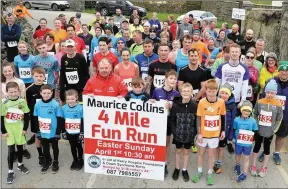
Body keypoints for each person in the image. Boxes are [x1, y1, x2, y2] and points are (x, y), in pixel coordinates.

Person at [192, 79, 226, 185]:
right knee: (201, 154)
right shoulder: (202, 102)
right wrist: (199, 133)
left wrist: (223, 130)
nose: (211, 93)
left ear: (217, 91)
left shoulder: (221, 102)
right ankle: (199, 171)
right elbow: (198, 118)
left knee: (211, 155)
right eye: (209, 91)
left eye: (214, 91)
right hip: (203, 134)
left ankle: (210, 173)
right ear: (206, 91)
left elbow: (223, 116)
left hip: (215, 134)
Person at [251, 79, 283, 178]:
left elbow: (279, 118)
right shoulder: (260, 102)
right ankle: (253, 165)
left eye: (272, 93)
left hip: (270, 132)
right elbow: (254, 113)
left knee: (266, 149)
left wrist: (274, 129)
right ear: (265, 92)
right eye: (268, 92)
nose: (270, 94)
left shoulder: (278, 104)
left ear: (275, 93)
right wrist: (256, 126)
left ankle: (264, 167)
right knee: (256, 147)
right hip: (259, 130)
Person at [258, 61, 288, 165]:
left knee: (281, 135)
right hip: (269, 114)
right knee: (267, 135)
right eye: (282, 70)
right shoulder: (271, 81)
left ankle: (276, 153)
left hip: (285, 116)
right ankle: (265, 151)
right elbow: (263, 96)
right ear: (278, 71)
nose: (284, 72)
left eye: (286, 70)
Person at [152, 70, 180, 177]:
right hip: (158, 121)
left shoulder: (176, 94)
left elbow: (178, 110)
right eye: (171, 78)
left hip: (169, 122)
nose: (173, 80)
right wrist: (152, 101)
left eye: (174, 79)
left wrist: (173, 106)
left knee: (167, 143)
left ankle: (164, 163)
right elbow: (151, 104)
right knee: (158, 142)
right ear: (166, 79)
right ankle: (155, 161)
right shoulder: (157, 91)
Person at [1, 81, 30, 184]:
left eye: (15, 91)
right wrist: (3, 130)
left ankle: (20, 164)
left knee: (20, 148)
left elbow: (26, 115)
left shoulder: (22, 101)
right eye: (11, 92)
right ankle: (10, 171)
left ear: (18, 91)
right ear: (7, 92)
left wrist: (25, 128)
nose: (13, 94)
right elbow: (1, 117)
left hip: (19, 129)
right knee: (11, 150)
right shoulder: (3, 102)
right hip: (9, 130)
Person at [170, 83, 197, 182]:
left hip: (189, 135)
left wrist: (194, 133)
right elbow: (172, 119)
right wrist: (174, 131)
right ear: (180, 92)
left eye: (188, 91)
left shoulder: (194, 106)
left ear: (191, 93)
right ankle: (177, 168)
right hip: (178, 134)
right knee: (177, 151)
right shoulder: (176, 105)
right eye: (184, 91)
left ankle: (184, 169)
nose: (186, 93)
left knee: (186, 152)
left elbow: (196, 120)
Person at [33, 84, 62, 174]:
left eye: (48, 93)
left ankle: (56, 161)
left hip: (53, 131)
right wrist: (37, 131)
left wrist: (58, 132)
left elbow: (59, 118)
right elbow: (35, 118)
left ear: (52, 93)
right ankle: (47, 161)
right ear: (40, 93)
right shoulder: (37, 104)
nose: (46, 95)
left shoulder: (55, 104)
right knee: (45, 148)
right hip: (43, 131)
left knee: (55, 147)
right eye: (44, 93)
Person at [214, 83, 237, 174]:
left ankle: (218, 162)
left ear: (230, 94)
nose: (223, 95)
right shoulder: (215, 102)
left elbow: (233, 122)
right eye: (222, 93)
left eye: (226, 93)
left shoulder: (232, 106)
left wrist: (230, 136)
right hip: (215, 131)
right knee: (214, 147)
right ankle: (213, 161)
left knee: (221, 148)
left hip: (225, 132)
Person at [233, 100, 258, 182]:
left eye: (248, 111)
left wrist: (251, 138)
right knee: (238, 154)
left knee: (246, 157)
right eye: (244, 110)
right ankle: (237, 165)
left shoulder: (253, 121)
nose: (246, 112)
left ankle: (244, 173)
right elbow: (234, 129)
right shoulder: (236, 120)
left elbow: (254, 131)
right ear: (241, 110)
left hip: (247, 143)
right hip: (238, 142)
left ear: (251, 112)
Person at [25, 66, 46, 163]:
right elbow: (28, 105)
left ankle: (46, 153)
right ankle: (40, 155)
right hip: (35, 118)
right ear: (32, 76)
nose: (38, 78)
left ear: (44, 77)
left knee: (46, 137)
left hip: (46, 117)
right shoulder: (29, 90)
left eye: (41, 76)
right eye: (36, 76)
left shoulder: (47, 88)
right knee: (38, 137)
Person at [61, 89, 84, 170]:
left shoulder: (80, 108)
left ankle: (80, 159)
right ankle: (75, 160)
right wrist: (63, 132)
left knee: (79, 146)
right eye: (68, 99)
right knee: (72, 146)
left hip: (78, 132)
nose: (70, 101)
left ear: (76, 98)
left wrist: (82, 132)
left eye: (72, 99)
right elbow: (62, 120)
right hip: (69, 132)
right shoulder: (63, 108)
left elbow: (83, 120)